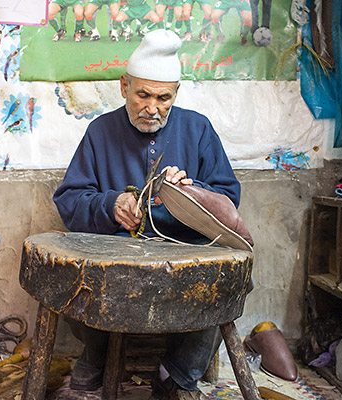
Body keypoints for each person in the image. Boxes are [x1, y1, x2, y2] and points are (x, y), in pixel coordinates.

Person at [53, 29, 242, 400]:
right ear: (124, 85)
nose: (151, 108)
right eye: (142, 94)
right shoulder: (100, 131)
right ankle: (97, 356)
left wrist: (192, 192)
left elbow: (229, 198)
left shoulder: (198, 128)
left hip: (183, 253)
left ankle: (178, 372)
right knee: (80, 276)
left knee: (224, 279)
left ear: (175, 94)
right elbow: (70, 199)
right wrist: (111, 205)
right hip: (119, 255)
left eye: (163, 97)